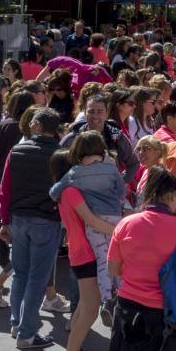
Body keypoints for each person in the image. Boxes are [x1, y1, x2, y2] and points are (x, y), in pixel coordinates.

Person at [107, 166, 176, 351]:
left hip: (127, 310)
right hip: (165, 315)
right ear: (173, 195)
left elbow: (113, 270)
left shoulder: (125, 224)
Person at [0, 108, 62, 349]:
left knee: (21, 274)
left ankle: (17, 324)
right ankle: (26, 332)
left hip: (20, 219)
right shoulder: (59, 154)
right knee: (36, 277)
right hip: (46, 220)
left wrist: (5, 221)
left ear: (36, 125)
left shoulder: (17, 151)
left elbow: (4, 191)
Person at [49, 131, 125, 327]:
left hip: (94, 221)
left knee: (102, 260)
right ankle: (124, 296)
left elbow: (54, 191)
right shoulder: (110, 167)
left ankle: (107, 299)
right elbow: (121, 189)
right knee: (119, 258)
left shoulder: (74, 172)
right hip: (115, 217)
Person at [49, 149, 113, 351]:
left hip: (80, 252)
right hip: (85, 254)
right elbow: (93, 222)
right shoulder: (70, 192)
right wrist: (120, 229)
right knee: (90, 311)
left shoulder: (65, 191)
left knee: (83, 308)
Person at [61, 93, 140, 184]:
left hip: (108, 193)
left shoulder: (116, 137)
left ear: (107, 113)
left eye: (100, 111)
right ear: (85, 112)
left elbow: (133, 163)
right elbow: (59, 164)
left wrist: (121, 183)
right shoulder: (72, 138)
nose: (95, 115)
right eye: (91, 111)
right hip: (79, 192)